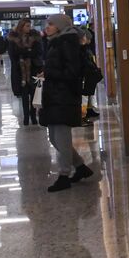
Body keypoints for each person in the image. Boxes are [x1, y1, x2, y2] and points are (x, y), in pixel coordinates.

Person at [39, 14, 92, 192]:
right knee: (55, 138)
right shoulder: (57, 41)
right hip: (55, 95)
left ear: (60, 26)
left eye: (51, 24)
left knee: (61, 137)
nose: (47, 27)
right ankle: (81, 167)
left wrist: (50, 75)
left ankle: (64, 176)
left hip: (64, 96)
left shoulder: (67, 43)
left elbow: (72, 72)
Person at [7, 19, 41, 126]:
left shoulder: (35, 37)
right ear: (21, 26)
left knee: (33, 93)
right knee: (24, 95)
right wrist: (27, 52)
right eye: (27, 26)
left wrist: (24, 53)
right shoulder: (13, 39)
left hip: (33, 69)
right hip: (19, 71)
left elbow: (37, 52)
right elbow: (13, 54)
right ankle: (26, 116)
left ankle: (33, 115)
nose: (29, 28)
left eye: (29, 25)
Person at [79, 32, 102, 120]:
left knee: (88, 95)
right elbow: (87, 62)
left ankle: (88, 111)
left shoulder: (84, 49)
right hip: (86, 76)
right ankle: (83, 115)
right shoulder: (83, 50)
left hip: (87, 75)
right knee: (85, 96)